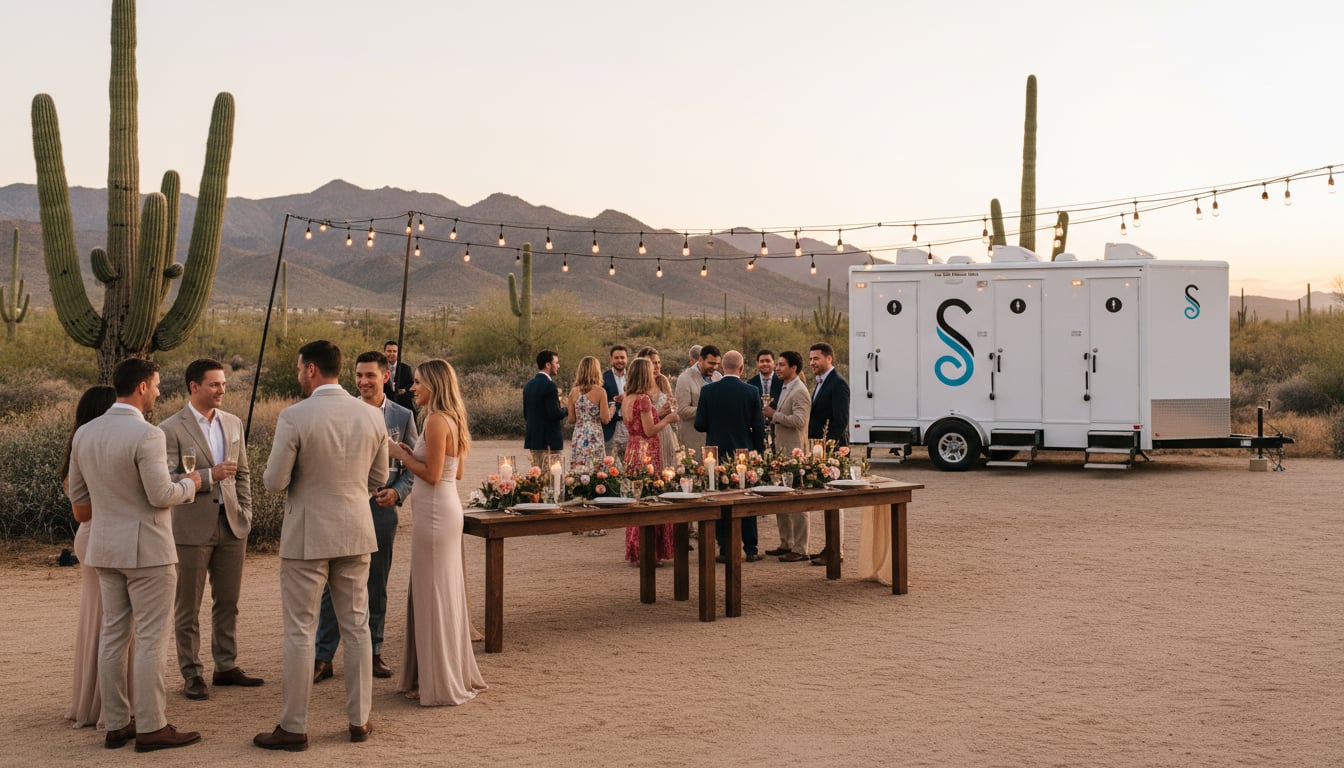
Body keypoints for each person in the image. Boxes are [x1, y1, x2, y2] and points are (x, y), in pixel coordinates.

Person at [256, 340, 388, 751]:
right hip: (355, 530)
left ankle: (294, 727)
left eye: (299, 369)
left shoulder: (294, 416)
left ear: (311, 370)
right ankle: (359, 721)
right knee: (357, 625)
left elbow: (275, 481)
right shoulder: (371, 416)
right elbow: (377, 478)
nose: (299, 375)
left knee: (300, 630)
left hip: (308, 535)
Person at [66, 359, 203, 751]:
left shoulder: (85, 434)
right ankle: (152, 725)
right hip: (148, 551)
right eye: (157, 385)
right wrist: (190, 484)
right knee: (150, 638)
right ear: (142, 387)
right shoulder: (148, 435)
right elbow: (161, 496)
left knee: (113, 635)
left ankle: (118, 724)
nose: (159, 392)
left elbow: (79, 496)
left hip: (104, 547)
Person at [387, 360, 488, 706]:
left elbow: (429, 474)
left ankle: (436, 680)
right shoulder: (453, 418)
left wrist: (397, 455)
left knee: (432, 593)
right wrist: (407, 454)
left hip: (433, 513)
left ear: (433, 384)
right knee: (439, 590)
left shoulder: (433, 420)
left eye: (417, 383)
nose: (412, 388)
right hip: (446, 508)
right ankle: (435, 672)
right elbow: (453, 472)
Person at [314, 351, 418, 684]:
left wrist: (399, 492)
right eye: (358, 375)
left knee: (377, 583)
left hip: (381, 508)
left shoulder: (402, 416)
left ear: (386, 376)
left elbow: (413, 464)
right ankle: (323, 656)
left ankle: (373, 651)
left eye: (369, 375)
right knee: (333, 582)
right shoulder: (344, 412)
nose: (362, 381)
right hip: (344, 506)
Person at [160, 359, 261, 702]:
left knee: (228, 602)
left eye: (223, 384)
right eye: (214, 384)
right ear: (193, 387)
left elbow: (243, 473)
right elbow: (166, 480)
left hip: (232, 525)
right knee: (188, 606)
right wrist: (208, 475)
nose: (221, 390)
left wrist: (245, 512)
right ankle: (192, 674)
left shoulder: (233, 423)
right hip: (190, 527)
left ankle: (226, 665)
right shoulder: (169, 429)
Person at [63, 385, 121, 729]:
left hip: (102, 536)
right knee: (106, 619)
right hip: (97, 535)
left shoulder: (86, 447)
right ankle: (103, 705)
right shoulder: (84, 452)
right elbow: (81, 512)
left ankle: (97, 699)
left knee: (103, 618)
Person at [694, 350, 767, 563]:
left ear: (722, 368)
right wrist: (758, 452)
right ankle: (751, 548)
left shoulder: (708, 391)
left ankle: (725, 548)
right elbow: (759, 426)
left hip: (715, 453)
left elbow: (700, 424)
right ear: (742, 368)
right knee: (746, 497)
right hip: (743, 452)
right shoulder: (751, 391)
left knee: (720, 498)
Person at [621, 357, 678, 565]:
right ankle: (649, 551)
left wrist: (659, 414)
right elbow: (649, 430)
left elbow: (636, 426)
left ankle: (636, 550)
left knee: (636, 499)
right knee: (651, 499)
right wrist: (668, 419)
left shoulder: (627, 398)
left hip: (632, 450)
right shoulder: (643, 399)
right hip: (647, 451)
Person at [762, 351, 812, 562]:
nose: (778, 368)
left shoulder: (799, 390)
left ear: (794, 368)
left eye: (782, 365)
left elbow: (800, 421)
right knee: (780, 496)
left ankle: (800, 548)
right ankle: (786, 543)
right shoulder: (784, 387)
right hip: (781, 451)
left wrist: (775, 416)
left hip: (795, 452)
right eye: (778, 365)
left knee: (798, 501)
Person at [807, 342, 851, 566]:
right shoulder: (820, 383)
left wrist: (828, 450)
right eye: (811, 358)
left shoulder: (838, 384)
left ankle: (837, 550)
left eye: (816, 358)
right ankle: (829, 546)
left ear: (829, 359)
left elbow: (840, 420)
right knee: (826, 499)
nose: (812, 362)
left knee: (835, 500)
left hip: (833, 451)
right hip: (820, 450)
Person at [567, 356, 612, 537]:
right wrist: (613, 409)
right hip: (594, 434)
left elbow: (571, 419)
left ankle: (577, 524)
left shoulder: (573, 392)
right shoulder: (600, 391)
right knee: (595, 475)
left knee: (578, 475)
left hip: (579, 435)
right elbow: (605, 418)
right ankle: (595, 523)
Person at [635, 346, 680, 470]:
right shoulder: (638, 387)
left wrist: (670, 409)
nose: (657, 366)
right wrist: (658, 414)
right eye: (653, 363)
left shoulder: (662, 381)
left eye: (659, 362)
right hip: (649, 435)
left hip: (666, 432)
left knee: (670, 468)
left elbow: (672, 403)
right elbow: (638, 419)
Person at [674, 344, 722, 456]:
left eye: (717, 364)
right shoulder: (685, 378)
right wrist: (706, 408)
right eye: (711, 363)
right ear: (700, 360)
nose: (714, 367)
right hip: (694, 442)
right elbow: (682, 411)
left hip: (716, 439)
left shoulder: (718, 377)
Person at [523, 349, 568, 468]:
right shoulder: (550, 385)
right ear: (548, 365)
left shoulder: (529, 385)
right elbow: (554, 413)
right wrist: (567, 409)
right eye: (556, 362)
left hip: (534, 439)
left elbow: (526, 414)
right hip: (549, 441)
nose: (558, 366)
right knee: (552, 478)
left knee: (537, 476)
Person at [601, 345, 629, 461]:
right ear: (611, 359)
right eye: (616, 358)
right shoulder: (603, 378)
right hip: (611, 426)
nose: (619, 361)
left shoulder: (633, 377)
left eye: (622, 358)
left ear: (627, 359)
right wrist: (616, 402)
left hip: (629, 426)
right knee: (610, 462)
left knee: (630, 463)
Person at [382, 340, 416, 412]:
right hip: (385, 408)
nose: (392, 353)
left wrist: (404, 390)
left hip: (403, 407)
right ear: (384, 352)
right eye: (389, 351)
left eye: (394, 351)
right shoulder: (380, 368)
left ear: (398, 353)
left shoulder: (406, 368)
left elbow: (412, 386)